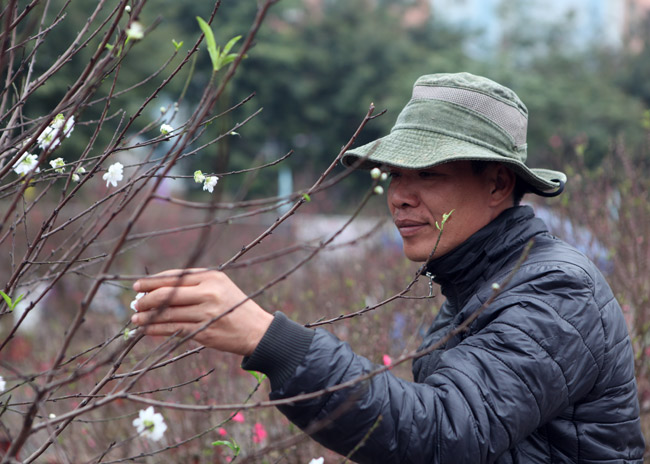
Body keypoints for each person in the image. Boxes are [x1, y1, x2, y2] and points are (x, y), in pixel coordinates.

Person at [130, 73, 646, 463]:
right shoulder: (478, 286)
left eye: (426, 174)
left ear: (497, 185)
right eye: (393, 175)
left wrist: (273, 341)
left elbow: (445, 432)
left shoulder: (555, 292)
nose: (399, 197)